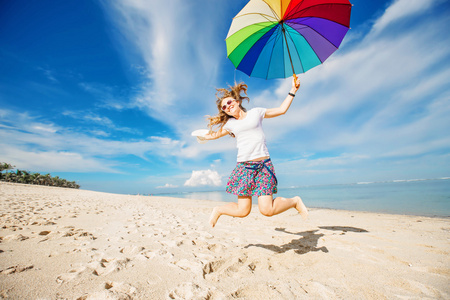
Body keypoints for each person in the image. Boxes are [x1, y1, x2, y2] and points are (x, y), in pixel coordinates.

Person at [200, 76, 308, 227]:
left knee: (267, 210)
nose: (228, 107)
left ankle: (295, 201)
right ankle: (218, 210)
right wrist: (200, 136)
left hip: (264, 166)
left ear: (237, 102)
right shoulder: (230, 124)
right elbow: (214, 135)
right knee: (243, 211)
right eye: (224, 107)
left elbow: (281, 110)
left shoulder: (256, 113)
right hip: (244, 168)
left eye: (229, 102)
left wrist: (293, 90)